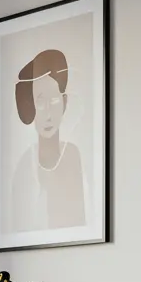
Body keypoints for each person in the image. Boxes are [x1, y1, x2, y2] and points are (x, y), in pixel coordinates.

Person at [10, 47, 86, 230]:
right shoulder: (24, 168)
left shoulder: (74, 156)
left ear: (64, 103)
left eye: (53, 100)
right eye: (40, 101)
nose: (48, 113)